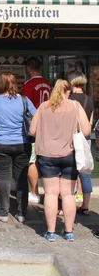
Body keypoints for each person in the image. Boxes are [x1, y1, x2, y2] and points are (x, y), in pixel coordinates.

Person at [29, 79, 91, 241]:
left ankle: (50, 232)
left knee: (50, 193)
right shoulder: (75, 106)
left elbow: (32, 130)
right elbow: (86, 131)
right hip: (69, 154)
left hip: (47, 155)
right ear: (68, 91)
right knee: (68, 194)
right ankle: (68, 232)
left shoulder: (44, 107)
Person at [0, 73, 35, 223]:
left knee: (4, 179)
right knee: (21, 180)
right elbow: (36, 118)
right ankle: (22, 213)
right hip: (22, 144)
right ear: (14, 83)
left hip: (1, 144)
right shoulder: (24, 100)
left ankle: (3, 213)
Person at [21, 56, 51, 205]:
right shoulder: (48, 84)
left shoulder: (29, 85)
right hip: (49, 127)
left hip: (35, 127)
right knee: (46, 161)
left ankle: (34, 193)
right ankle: (50, 192)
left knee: (31, 160)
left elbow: (25, 108)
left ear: (28, 68)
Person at [68, 70, 95, 216]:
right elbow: (90, 123)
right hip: (85, 139)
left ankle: (68, 204)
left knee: (69, 173)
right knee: (85, 173)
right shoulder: (89, 100)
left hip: (71, 139)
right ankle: (85, 206)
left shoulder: (69, 99)